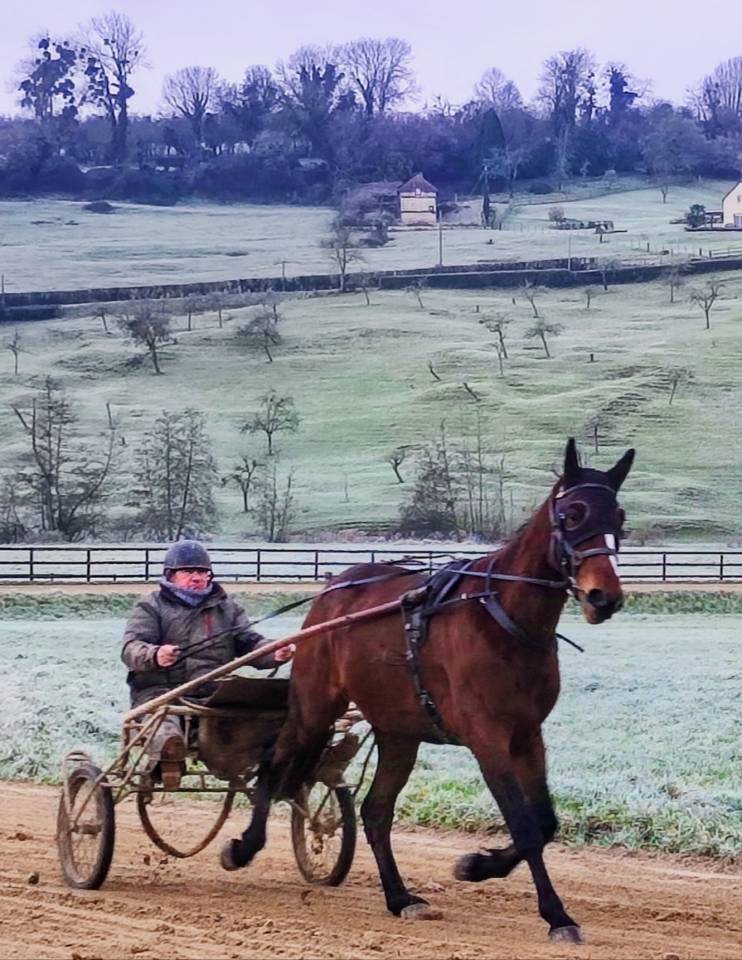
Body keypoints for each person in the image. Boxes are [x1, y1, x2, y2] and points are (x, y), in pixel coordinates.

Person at [121, 539, 294, 788]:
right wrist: (155, 655)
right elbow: (131, 648)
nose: (197, 577)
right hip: (161, 692)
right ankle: (169, 757)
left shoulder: (226, 607)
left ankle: (298, 756)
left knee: (268, 708)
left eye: (202, 572)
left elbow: (249, 642)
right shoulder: (151, 606)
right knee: (165, 722)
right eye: (189, 571)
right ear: (171, 575)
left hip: (214, 692)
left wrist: (272, 653)